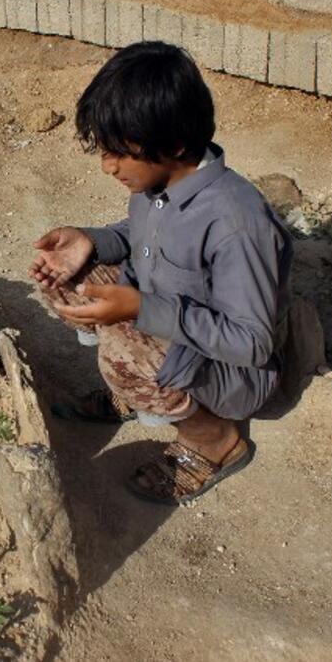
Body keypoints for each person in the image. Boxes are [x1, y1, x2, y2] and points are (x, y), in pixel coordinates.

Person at [30, 41, 293, 506]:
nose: (108, 166)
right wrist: (90, 240)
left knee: (124, 351)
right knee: (64, 278)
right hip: (172, 323)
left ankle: (215, 441)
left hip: (232, 370)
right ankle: (135, 391)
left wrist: (140, 310)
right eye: (103, 150)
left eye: (119, 153)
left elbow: (251, 343)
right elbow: (143, 231)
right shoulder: (163, 180)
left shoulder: (236, 222)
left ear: (172, 145)